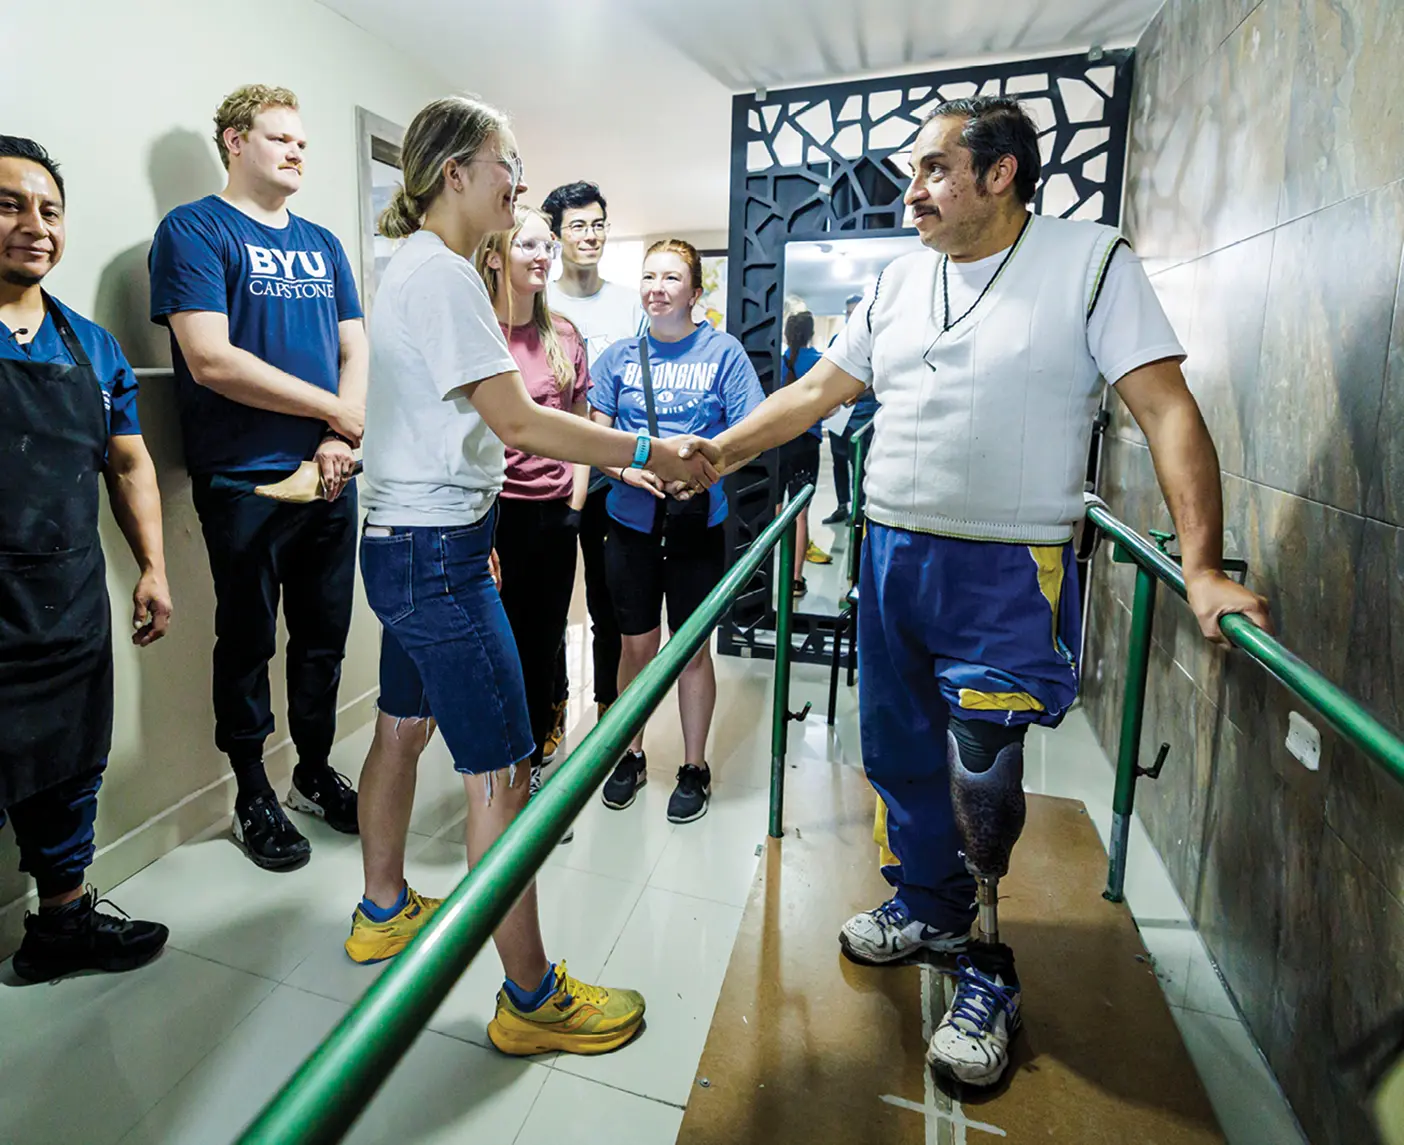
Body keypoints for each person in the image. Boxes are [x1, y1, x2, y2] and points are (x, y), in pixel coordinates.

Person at [693, 96, 1272, 1088]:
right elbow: (818, 392)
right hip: (891, 556)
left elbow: (1168, 408)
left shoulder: (1089, 263)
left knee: (983, 768)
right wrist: (720, 452)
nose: (910, 190)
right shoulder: (899, 280)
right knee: (900, 748)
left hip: (1010, 564)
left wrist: (1207, 565)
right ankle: (926, 899)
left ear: (999, 174)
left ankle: (987, 961)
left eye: (930, 169)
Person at [344, 95, 715, 1055]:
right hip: (436, 558)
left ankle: (383, 905)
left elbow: (462, 429)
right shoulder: (450, 279)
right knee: (501, 774)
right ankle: (530, 996)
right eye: (508, 161)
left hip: (410, 539)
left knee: (399, 725)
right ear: (455, 171)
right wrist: (649, 446)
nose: (520, 181)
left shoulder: (419, 269)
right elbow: (519, 423)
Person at [149, 85, 366, 871]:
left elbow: (355, 347)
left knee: (323, 639)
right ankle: (252, 790)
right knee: (246, 642)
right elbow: (212, 361)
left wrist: (342, 432)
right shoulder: (194, 230)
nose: (297, 150)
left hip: (332, 475)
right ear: (235, 142)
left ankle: (312, 768)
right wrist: (336, 414)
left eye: (302, 141)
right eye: (279, 137)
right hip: (245, 481)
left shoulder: (323, 242)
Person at [0, 136, 172, 980]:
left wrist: (153, 566)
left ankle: (61, 931)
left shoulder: (91, 346)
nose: (34, 226)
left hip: (66, 597)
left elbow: (130, 460)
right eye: (8, 205)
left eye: (49, 210)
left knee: (70, 768)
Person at [590, 239, 765, 825]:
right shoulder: (617, 357)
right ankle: (630, 753)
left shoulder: (724, 353)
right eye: (648, 276)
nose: (656, 287)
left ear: (694, 291)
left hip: (698, 523)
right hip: (630, 521)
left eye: (671, 277)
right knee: (635, 646)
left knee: (691, 652)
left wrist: (705, 475)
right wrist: (625, 470)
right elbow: (595, 438)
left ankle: (694, 766)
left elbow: (748, 436)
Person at [475, 205, 589, 845]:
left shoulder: (563, 334)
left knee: (543, 645)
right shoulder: (478, 332)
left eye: (549, 244)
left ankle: (531, 774)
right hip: (489, 514)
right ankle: (498, 777)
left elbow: (578, 420)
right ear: (495, 254)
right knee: (500, 650)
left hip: (551, 515)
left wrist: (574, 506)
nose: (545, 255)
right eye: (529, 245)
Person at [540, 181, 647, 761]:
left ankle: (610, 718)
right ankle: (551, 712)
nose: (591, 235)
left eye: (599, 223)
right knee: (552, 608)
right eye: (578, 226)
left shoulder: (631, 303)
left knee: (610, 607)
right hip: (556, 481)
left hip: (618, 479)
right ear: (557, 236)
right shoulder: (542, 304)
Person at [777, 308, 831, 597]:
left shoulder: (776, 361)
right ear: (810, 333)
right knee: (799, 513)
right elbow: (831, 405)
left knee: (774, 510)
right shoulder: (820, 363)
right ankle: (796, 579)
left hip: (776, 443)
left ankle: (760, 578)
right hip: (806, 444)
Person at [822, 293, 877, 525]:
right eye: (848, 313)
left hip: (864, 412)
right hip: (840, 413)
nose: (851, 317)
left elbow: (879, 381)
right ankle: (842, 505)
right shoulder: (838, 340)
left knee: (860, 462)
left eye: (855, 312)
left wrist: (860, 393)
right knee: (839, 460)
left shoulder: (876, 341)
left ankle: (859, 507)